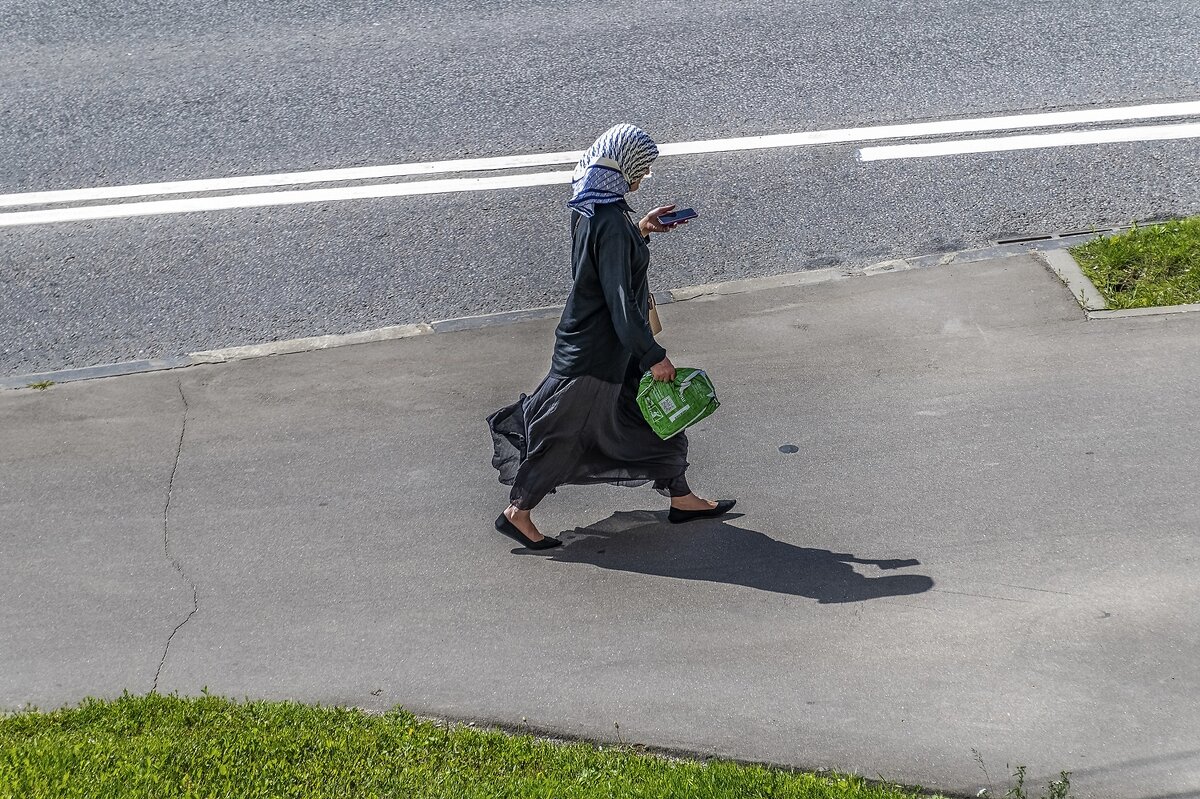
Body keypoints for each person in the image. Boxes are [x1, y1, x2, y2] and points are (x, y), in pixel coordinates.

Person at [486, 123, 736, 550]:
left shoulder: (593, 209)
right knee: (562, 437)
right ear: (623, 166)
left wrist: (641, 229)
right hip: (595, 357)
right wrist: (653, 355)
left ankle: (682, 497)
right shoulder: (610, 221)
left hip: (609, 350)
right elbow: (620, 300)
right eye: (642, 168)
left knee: (654, 420)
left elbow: (602, 264)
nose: (644, 177)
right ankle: (518, 512)